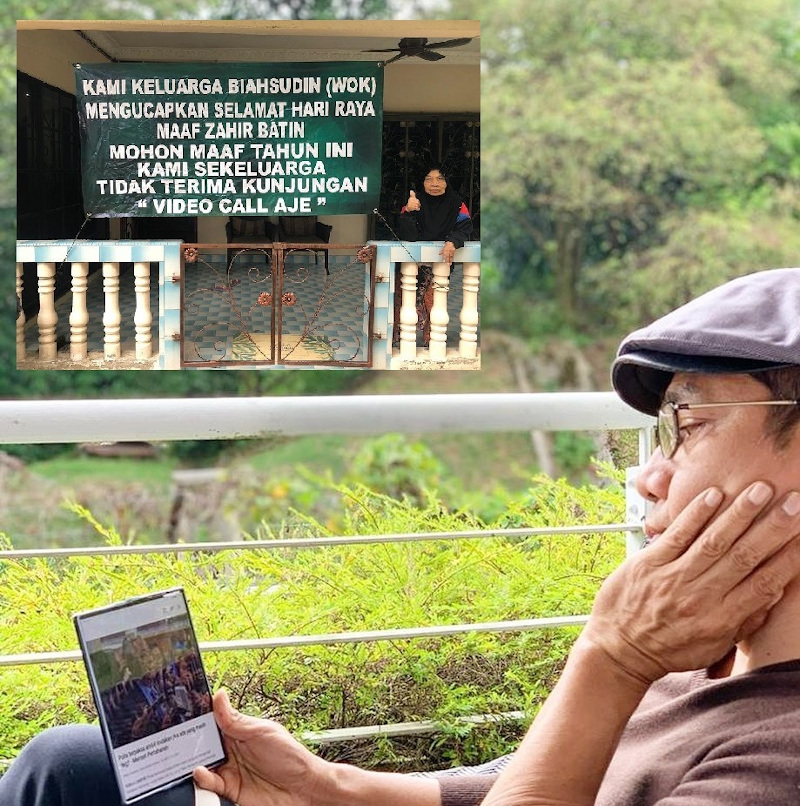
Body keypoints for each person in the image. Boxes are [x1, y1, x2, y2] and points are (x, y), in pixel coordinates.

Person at [2, 267, 800, 806]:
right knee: (73, 765)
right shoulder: (699, 654)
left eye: (686, 426)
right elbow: (518, 780)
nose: (649, 477)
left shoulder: (777, 757)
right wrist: (326, 785)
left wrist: (612, 656)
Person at [392, 165, 472, 347]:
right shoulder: (415, 202)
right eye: (428, 179)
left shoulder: (457, 204)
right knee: (404, 298)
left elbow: (465, 227)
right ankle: (398, 335)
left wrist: (453, 241)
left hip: (440, 262)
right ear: (422, 183)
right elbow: (407, 235)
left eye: (440, 178)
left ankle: (430, 336)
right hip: (412, 262)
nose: (434, 183)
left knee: (434, 300)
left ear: (447, 182)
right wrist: (408, 211)